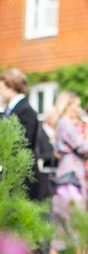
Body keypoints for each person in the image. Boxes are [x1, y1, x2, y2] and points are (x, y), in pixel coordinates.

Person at [49, 91, 88, 254]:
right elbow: (83, 146)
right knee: (75, 221)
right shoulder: (66, 122)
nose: (78, 109)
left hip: (66, 172)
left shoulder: (62, 123)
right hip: (71, 174)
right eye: (76, 105)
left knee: (61, 225)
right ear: (67, 106)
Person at [0, 69, 43, 200]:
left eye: (1, 87)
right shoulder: (11, 110)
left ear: (11, 87)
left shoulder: (25, 110)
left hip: (23, 175)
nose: (0, 91)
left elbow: (23, 142)